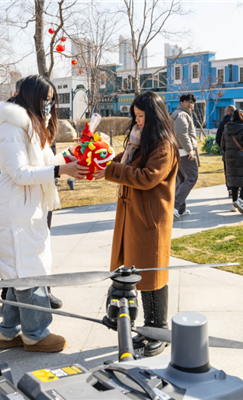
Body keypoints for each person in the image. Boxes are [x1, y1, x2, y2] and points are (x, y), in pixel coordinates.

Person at [0, 75, 87, 352]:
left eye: (52, 101)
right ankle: (36, 334)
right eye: (45, 100)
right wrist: (60, 170)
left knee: (21, 274)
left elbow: (42, 165)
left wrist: (68, 158)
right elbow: (21, 173)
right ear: (31, 97)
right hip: (14, 209)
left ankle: (9, 332)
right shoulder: (11, 127)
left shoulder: (32, 126)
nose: (49, 106)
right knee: (28, 274)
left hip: (27, 208)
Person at [94, 91, 179, 357]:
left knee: (153, 275)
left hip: (151, 219)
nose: (137, 121)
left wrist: (112, 170)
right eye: (135, 116)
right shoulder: (139, 142)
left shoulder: (164, 145)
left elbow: (147, 177)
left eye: (141, 116)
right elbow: (125, 161)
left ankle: (160, 330)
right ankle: (149, 328)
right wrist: (104, 156)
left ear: (153, 117)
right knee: (139, 275)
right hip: (135, 216)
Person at [170, 93, 198, 218]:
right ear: (181, 102)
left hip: (178, 151)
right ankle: (175, 206)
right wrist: (189, 149)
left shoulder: (179, 114)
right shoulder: (181, 115)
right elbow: (181, 134)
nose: (190, 104)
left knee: (181, 180)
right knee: (192, 177)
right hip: (183, 151)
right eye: (188, 101)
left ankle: (180, 209)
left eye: (192, 102)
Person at [216, 105, 236, 202]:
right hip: (238, 152)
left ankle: (230, 190)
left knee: (228, 171)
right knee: (238, 171)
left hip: (227, 152)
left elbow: (218, 138)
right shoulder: (239, 121)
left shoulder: (223, 123)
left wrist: (223, 147)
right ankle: (238, 189)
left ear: (227, 112)